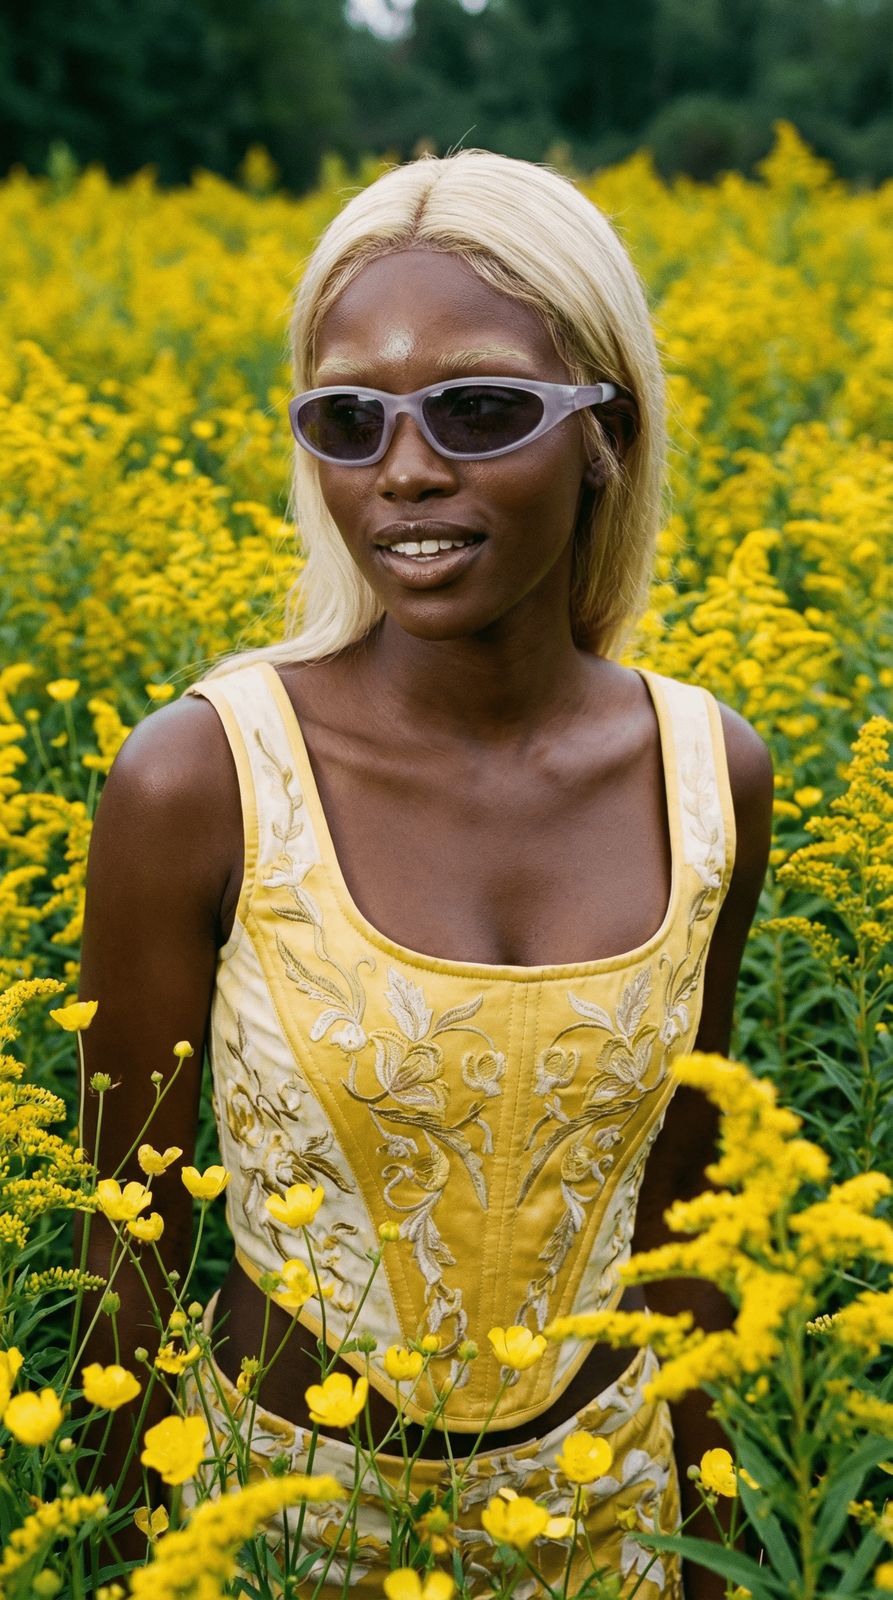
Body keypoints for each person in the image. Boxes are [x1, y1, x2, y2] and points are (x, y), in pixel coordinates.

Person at [78, 150, 774, 1597]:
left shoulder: (712, 775)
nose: (403, 469)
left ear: (605, 430)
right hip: (271, 1539)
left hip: (619, 1536)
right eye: (346, 419)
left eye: (477, 408)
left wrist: (716, 1559)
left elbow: (683, 1220)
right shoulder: (196, 779)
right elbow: (128, 1253)